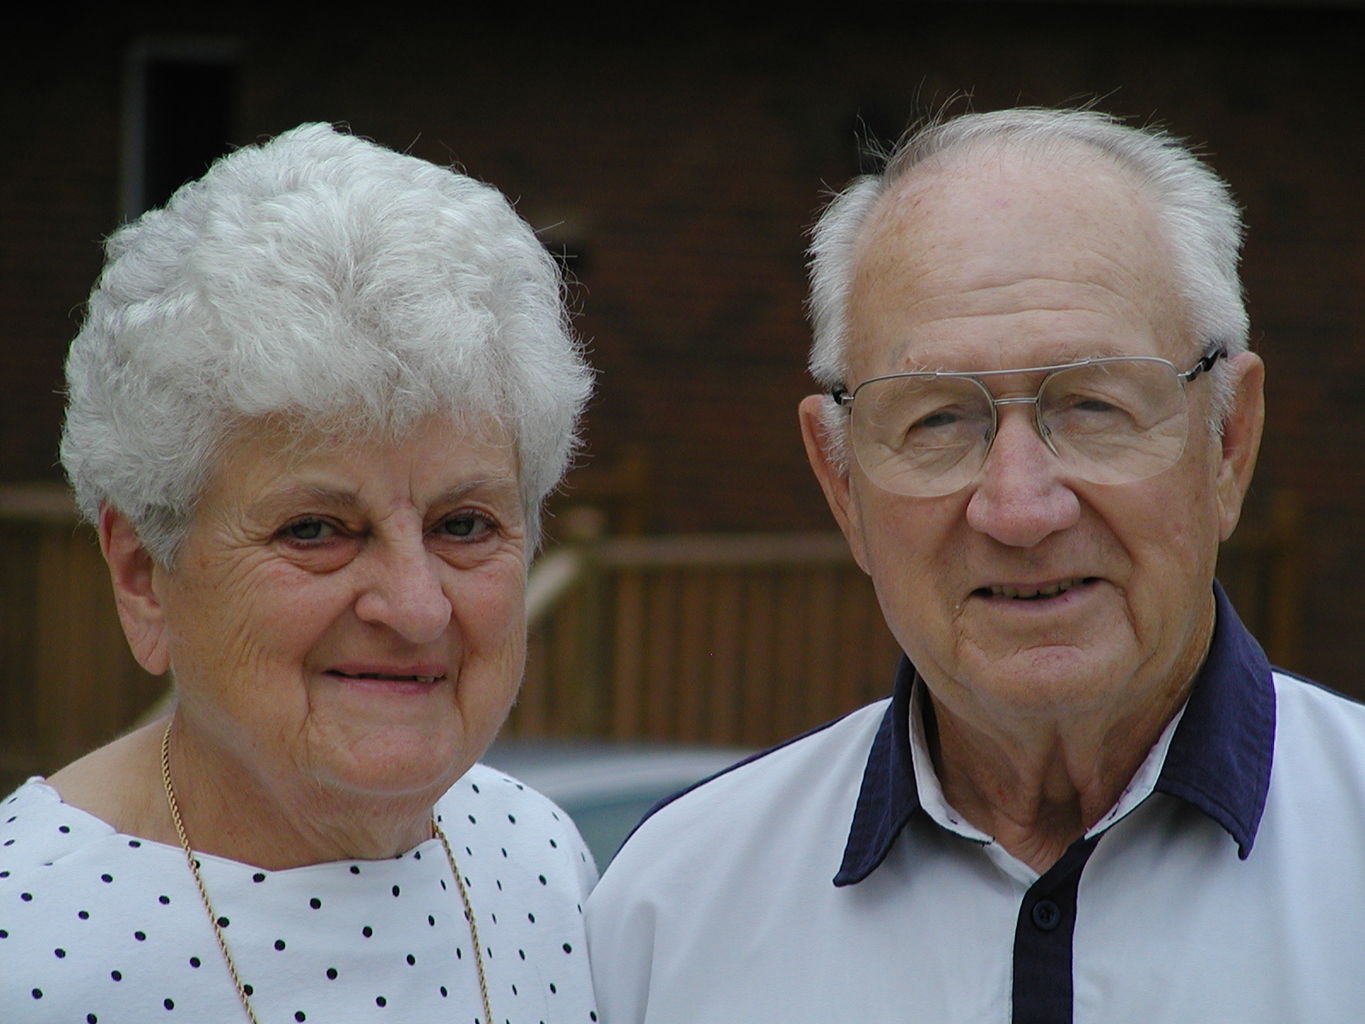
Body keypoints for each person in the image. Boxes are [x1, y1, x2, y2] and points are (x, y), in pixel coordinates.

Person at [585, 108, 1365, 1022]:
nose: (1019, 508)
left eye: (1091, 404)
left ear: (1227, 443)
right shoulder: (671, 912)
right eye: (938, 420)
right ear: (841, 485)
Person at [1, 123, 600, 1023]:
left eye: (463, 524)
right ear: (141, 574)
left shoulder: (542, 860)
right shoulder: (30, 946)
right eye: (316, 529)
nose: (414, 606)